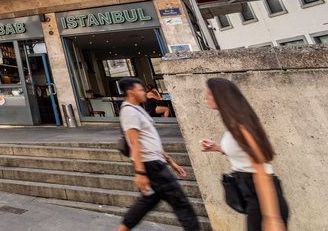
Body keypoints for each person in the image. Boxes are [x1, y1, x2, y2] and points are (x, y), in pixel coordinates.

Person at [199, 78, 288, 231]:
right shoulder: (233, 124)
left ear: (221, 97)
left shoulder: (241, 126)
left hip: (261, 192)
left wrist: (271, 218)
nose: (206, 97)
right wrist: (218, 147)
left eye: (209, 94)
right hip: (250, 191)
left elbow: (261, 171)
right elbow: (243, 152)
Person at [117, 77, 199, 231]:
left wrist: (170, 161)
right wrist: (140, 172)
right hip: (151, 165)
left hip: (154, 163)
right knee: (182, 204)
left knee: (146, 203)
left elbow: (150, 140)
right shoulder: (128, 111)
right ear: (130, 92)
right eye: (140, 89)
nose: (144, 92)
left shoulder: (137, 109)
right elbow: (134, 143)